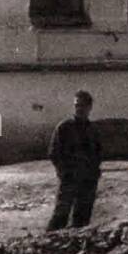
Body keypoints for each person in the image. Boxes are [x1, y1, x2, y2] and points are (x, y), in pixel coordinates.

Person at [46, 90, 103, 230]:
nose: (79, 109)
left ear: (90, 107)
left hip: (88, 180)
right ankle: (49, 246)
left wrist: (94, 172)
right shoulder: (64, 127)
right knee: (60, 217)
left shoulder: (93, 130)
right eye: (76, 105)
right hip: (69, 179)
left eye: (83, 105)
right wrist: (63, 171)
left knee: (82, 219)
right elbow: (53, 153)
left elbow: (99, 153)